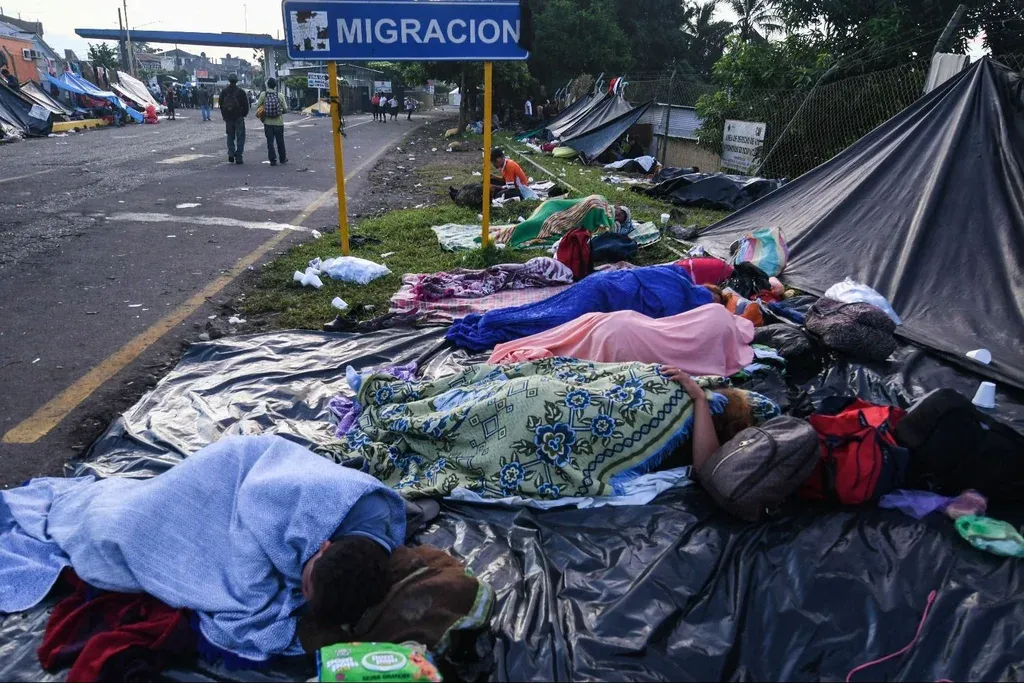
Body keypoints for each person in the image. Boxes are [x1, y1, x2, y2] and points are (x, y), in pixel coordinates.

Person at [256, 78, 288, 166]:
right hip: (279, 123)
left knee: (270, 142)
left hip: (267, 123)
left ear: (267, 85)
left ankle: (273, 160)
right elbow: (285, 109)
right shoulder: (280, 95)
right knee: (280, 141)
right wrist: (279, 112)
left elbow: (258, 105)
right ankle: (282, 158)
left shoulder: (263, 94)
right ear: (275, 85)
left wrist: (265, 110)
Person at [220, 73, 250, 165]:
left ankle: (231, 153)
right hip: (238, 117)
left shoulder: (224, 92)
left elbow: (221, 105)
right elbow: (246, 106)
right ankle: (239, 156)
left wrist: (224, 116)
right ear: (237, 81)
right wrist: (243, 114)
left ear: (229, 80)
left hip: (228, 118)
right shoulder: (241, 92)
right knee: (240, 137)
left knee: (230, 136)